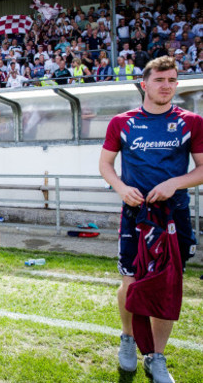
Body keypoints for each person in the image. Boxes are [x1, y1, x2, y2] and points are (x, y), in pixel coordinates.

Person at [99, 56, 202, 383]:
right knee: (130, 281)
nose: (167, 86)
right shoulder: (122, 122)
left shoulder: (192, 122)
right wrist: (120, 187)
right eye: (160, 80)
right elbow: (105, 166)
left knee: (167, 285)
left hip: (174, 216)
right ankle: (128, 340)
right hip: (135, 214)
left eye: (172, 80)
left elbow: (201, 168)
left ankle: (156, 357)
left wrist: (175, 183)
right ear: (145, 84)